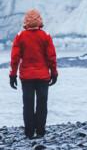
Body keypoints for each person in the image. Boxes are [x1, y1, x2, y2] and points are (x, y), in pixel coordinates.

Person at [9, 9, 58, 139]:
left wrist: (12, 75)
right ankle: (40, 131)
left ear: (25, 21)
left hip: (26, 77)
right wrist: (54, 73)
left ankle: (29, 132)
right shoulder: (45, 36)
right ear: (39, 20)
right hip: (43, 76)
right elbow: (51, 57)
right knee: (42, 104)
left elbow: (15, 58)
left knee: (28, 104)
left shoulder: (20, 36)